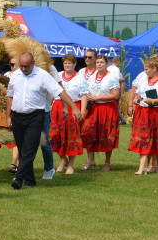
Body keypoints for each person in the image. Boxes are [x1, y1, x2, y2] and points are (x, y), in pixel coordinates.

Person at [8, 52, 81, 189]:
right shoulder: (15, 75)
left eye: (26, 67)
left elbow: (60, 91)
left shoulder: (43, 75)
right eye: (21, 66)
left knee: (29, 149)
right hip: (18, 116)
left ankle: (19, 178)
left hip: (36, 116)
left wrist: (74, 108)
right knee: (23, 148)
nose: (23, 69)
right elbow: (10, 96)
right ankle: (30, 180)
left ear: (33, 64)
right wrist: (8, 116)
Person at [127, 57, 158, 174]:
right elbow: (138, 93)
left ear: (154, 68)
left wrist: (153, 101)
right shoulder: (143, 79)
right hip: (144, 112)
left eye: (147, 69)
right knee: (144, 137)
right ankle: (141, 167)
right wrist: (136, 100)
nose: (145, 71)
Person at [80, 54, 120, 170]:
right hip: (93, 109)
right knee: (88, 132)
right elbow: (85, 91)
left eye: (101, 62)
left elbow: (115, 95)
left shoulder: (111, 77)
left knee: (107, 134)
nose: (99, 65)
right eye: (97, 62)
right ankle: (90, 160)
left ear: (106, 64)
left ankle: (107, 162)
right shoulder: (91, 77)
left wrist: (97, 97)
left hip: (107, 109)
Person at [52, 54, 86, 174]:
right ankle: (63, 159)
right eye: (65, 63)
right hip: (57, 108)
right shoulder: (58, 75)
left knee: (72, 136)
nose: (67, 65)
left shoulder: (80, 77)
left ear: (75, 64)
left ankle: (71, 165)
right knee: (54, 135)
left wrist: (81, 111)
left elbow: (84, 95)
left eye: (70, 63)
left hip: (73, 107)